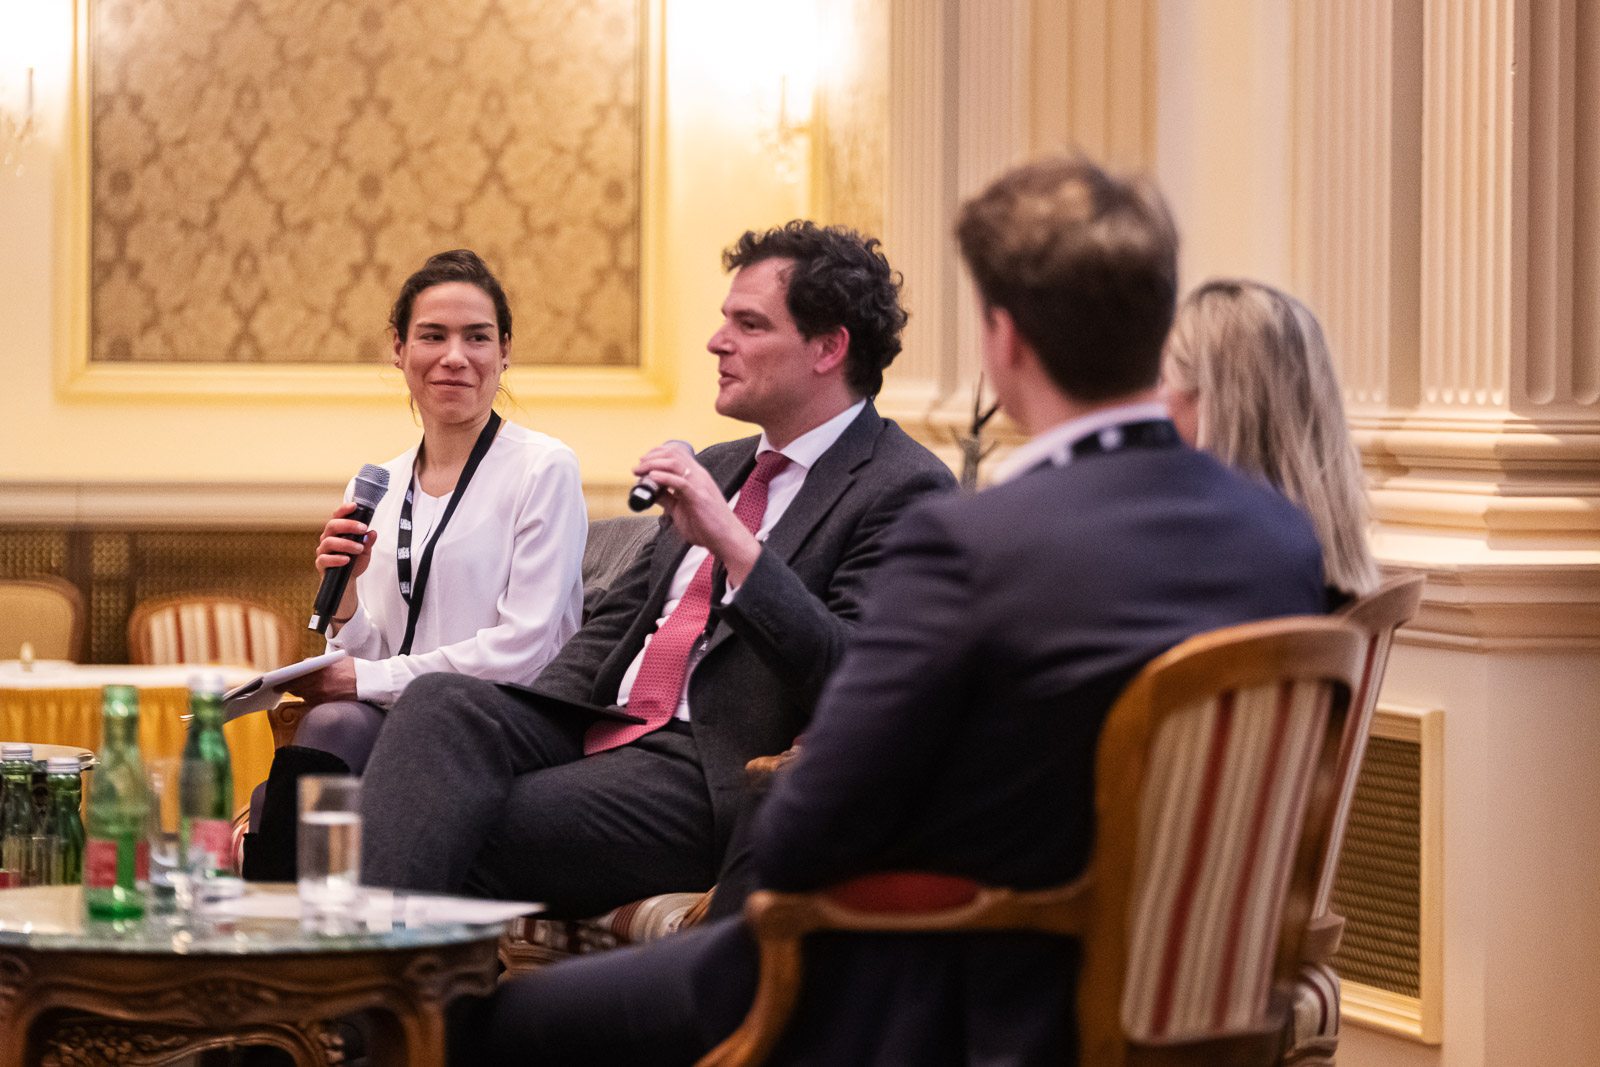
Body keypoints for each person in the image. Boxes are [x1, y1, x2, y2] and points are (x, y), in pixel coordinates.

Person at [458, 156, 1331, 1064]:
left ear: (1005, 340)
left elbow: (811, 823)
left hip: (957, 991)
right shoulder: (1276, 539)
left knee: (495, 1027)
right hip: (1191, 993)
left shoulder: (973, 542)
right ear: (1157, 331)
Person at [357, 221, 957, 915]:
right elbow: (613, 626)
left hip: (706, 769)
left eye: (748, 324)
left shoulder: (902, 487)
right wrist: (526, 732)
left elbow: (853, 676)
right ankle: (375, 978)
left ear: (828, 348)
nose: (717, 341)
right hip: (605, 729)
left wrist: (734, 545)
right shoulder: (722, 465)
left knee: (452, 820)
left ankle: (354, 981)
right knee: (439, 704)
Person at [242, 249, 586, 881]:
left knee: (326, 736)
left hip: (507, 719)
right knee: (302, 767)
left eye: (477, 337)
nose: (454, 356)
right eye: (432, 336)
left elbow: (528, 649)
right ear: (398, 350)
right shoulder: (379, 482)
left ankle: (284, 927)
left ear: (505, 351)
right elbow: (385, 653)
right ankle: (299, 928)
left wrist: (364, 679)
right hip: (399, 717)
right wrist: (345, 604)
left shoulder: (542, 468)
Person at [1160, 278, 1380, 601]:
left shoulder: (1194, 570)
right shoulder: (1312, 561)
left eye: (1161, 379)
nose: (1154, 402)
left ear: (1214, 403)